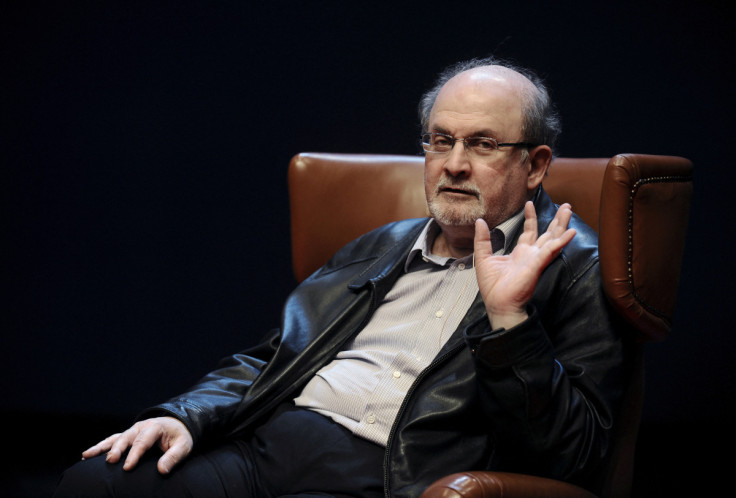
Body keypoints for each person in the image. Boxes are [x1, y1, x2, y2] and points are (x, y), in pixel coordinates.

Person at [54, 57, 627, 497]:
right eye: (440, 139)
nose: (453, 163)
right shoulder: (383, 243)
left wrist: (509, 323)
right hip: (266, 448)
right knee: (94, 484)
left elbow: (573, 456)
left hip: (386, 473)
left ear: (536, 165)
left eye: (482, 144)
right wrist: (184, 416)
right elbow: (272, 358)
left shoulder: (576, 269)